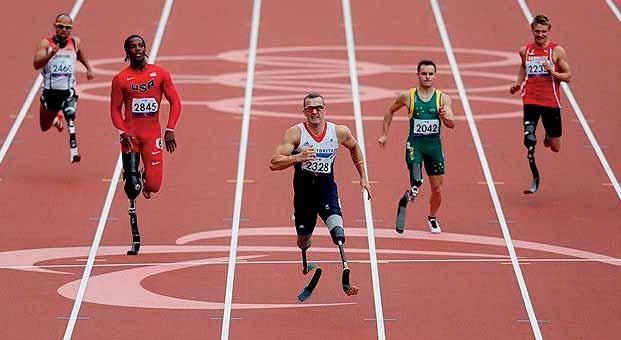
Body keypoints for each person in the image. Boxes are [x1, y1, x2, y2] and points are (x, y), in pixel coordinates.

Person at [270, 92, 371, 299]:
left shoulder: (339, 132)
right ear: (304, 112)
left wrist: (364, 177)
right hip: (304, 193)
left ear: (325, 109)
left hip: (326, 190)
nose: (314, 112)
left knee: (338, 232)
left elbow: (354, 148)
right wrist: (298, 157)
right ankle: (306, 250)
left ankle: (346, 276)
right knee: (303, 240)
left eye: (318, 108)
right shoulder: (295, 134)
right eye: (310, 108)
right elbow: (273, 162)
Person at [110, 34, 181, 255]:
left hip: (153, 136)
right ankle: (132, 178)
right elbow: (114, 110)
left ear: (145, 48)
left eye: (140, 45)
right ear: (127, 52)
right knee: (132, 187)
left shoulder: (160, 74)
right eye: (132, 47)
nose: (138, 49)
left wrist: (170, 129)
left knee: (153, 186)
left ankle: (144, 178)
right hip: (131, 138)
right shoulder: (121, 79)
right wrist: (123, 131)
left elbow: (175, 101)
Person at [378, 59, 454, 234]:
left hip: (434, 147)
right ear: (418, 75)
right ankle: (414, 187)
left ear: (435, 76)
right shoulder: (408, 96)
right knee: (417, 174)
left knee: (437, 189)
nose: (427, 77)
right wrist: (384, 134)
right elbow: (390, 110)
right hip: (415, 145)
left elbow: (452, 124)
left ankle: (432, 217)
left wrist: (445, 117)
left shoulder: (443, 98)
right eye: (424, 73)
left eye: (430, 74)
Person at [510, 14, 571, 193]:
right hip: (530, 99)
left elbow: (568, 76)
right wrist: (518, 83)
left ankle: (547, 136)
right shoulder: (525, 51)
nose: (540, 35)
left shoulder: (557, 51)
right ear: (532, 30)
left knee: (555, 147)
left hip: (551, 102)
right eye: (537, 31)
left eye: (544, 32)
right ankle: (532, 140)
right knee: (529, 136)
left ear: (548, 31)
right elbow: (523, 66)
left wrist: (553, 73)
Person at [33, 13, 95, 163]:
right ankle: (56, 118)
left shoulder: (75, 42)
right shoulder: (45, 44)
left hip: (68, 91)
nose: (64, 30)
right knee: (44, 126)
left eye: (67, 28)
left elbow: (79, 53)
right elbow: (36, 64)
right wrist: (50, 55)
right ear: (55, 26)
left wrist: (88, 68)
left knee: (71, 115)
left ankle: (74, 150)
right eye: (60, 26)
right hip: (50, 92)